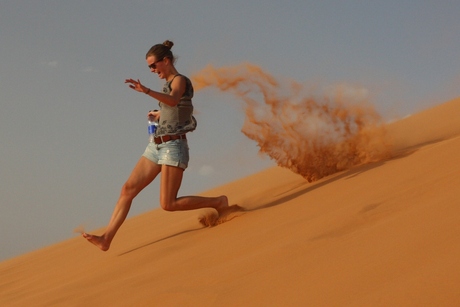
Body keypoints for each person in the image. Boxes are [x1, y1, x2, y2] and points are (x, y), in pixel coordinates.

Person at [83, 40, 238, 251]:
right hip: (155, 146)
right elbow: (174, 109)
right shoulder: (166, 85)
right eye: (149, 67)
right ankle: (106, 238)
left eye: (153, 65)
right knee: (127, 189)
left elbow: (174, 100)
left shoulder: (179, 80)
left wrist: (146, 90)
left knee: (168, 204)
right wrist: (157, 114)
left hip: (174, 147)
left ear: (166, 61)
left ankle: (219, 202)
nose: (152, 70)